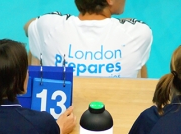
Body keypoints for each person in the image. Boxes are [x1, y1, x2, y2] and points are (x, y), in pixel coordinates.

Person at [24, 0, 153, 78]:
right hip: (116, 117)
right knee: (139, 57)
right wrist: (120, 22)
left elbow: (28, 27)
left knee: (37, 46)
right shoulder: (138, 33)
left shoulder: (49, 27)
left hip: (63, 119)